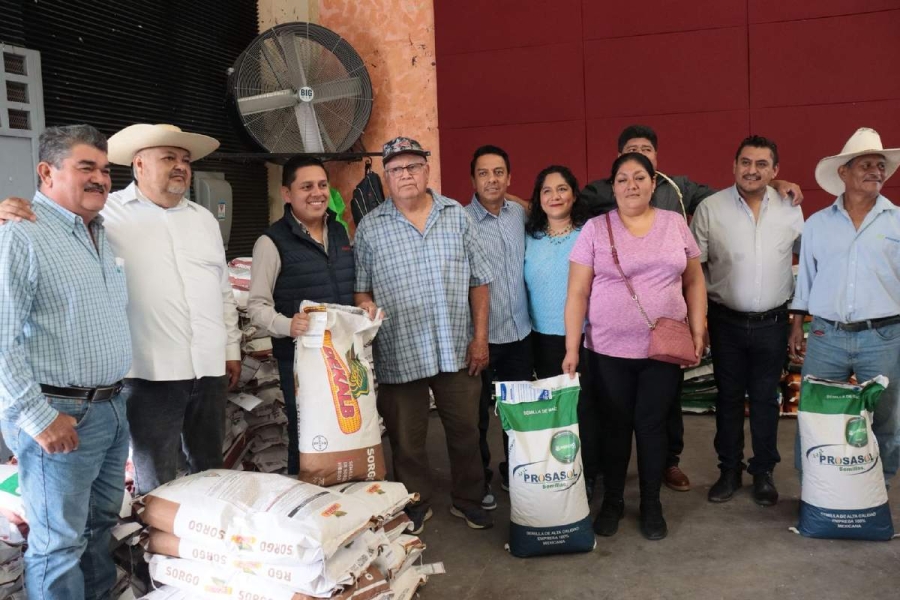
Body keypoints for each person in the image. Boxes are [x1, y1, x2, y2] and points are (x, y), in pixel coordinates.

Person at [0, 123, 242, 496]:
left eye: (185, 160)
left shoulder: (204, 220)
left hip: (208, 367)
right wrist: (7, 210)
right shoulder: (103, 213)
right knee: (157, 475)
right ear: (139, 165)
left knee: (210, 467)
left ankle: (206, 545)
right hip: (149, 374)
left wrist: (230, 350)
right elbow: (49, 218)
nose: (180, 166)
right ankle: (157, 548)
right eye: (168, 158)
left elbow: (223, 290)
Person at [580, 124, 804, 492]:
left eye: (647, 150)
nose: (634, 178)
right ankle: (722, 471)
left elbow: (695, 269)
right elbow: (561, 205)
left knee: (741, 400)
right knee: (716, 399)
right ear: (617, 162)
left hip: (700, 322)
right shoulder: (601, 194)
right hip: (623, 331)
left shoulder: (680, 189)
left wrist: (778, 185)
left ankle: (684, 465)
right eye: (631, 153)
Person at [0, 125, 132, 599]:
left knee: (99, 530)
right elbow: (1, 339)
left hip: (112, 410)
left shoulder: (103, 236)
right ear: (46, 172)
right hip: (60, 414)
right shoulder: (22, 236)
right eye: (86, 167)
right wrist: (38, 418)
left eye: (104, 169)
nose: (100, 178)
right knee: (57, 544)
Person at [354, 136, 494, 533]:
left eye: (413, 166)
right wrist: (365, 305)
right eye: (396, 169)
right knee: (407, 439)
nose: (405, 175)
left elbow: (480, 282)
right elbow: (361, 289)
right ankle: (414, 501)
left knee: (467, 431)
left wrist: (480, 338)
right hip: (400, 349)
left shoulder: (457, 215)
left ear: (427, 170)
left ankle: (468, 499)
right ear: (386, 177)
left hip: (456, 346)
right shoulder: (370, 228)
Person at [564, 152, 706, 541]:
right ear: (613, 187)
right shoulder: (595, 228)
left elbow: (694, 281)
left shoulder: (675, 224)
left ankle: (651, 504)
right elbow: (577, 292)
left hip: (663, 349)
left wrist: (698, 329)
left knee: (651, 426)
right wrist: (572, 348)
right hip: (608, 349)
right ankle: (612, 501)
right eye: (623, 179)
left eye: (639, 177)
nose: (632, 185)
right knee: (614, 427)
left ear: (653, 183)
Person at [690, 135, 803, 506]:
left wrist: (797, 322)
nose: (752, 170)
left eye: (761, 164)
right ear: (734, 165)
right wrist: (700, 321)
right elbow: (694, 269)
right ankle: (729, 470)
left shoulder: (790, 207)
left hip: (773, 322)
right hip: (726, 322)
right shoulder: (710, 208)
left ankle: (764, 472)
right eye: (745, 162)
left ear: (775, 170)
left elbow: (805, 260)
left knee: (767, 400)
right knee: (728, 400)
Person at [789, 127, 900, 483]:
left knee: (884, 416)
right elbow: (805, 280)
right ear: (844, 172)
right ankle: (816, 487)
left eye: (880, 166)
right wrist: (796, 325)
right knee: (816, 412)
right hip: (825, 335)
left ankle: (878, 488)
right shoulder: (818, 224)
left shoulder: (897, 221)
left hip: (883, 335)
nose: (875, 171)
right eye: (865, 164)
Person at [247, 156, 356, 475]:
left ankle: (344, 499)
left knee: (345, 427)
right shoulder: (271, 242)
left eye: (322, 185)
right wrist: (287, 325)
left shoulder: (339, 232)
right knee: (308, 435)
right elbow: (256, 306)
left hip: (343, 354)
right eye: (306, 186)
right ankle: (305, 499)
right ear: (286, 193)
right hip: (300, 360)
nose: (317, 193)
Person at [523, 165, 600, 499]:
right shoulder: (530, 237)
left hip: (583, 337)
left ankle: (591, 473)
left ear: (574, 194)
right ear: (538, 199)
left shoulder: (589, 233)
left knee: (586, 411)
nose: (554, 197)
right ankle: (558, 471)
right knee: (554, 412)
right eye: (546, 191)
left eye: (562, 189)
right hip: (541, 338)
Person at [464, 145, 533, 509]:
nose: (492, 179)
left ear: (509, 177)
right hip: (482, 338)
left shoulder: (518, 214)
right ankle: (481, 481)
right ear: (472, 179)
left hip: (520, 335)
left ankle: (516, 471)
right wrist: (476, 339)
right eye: (484, 173)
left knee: (517, 414)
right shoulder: (460, 221)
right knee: (477, 418)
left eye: (499, 172)